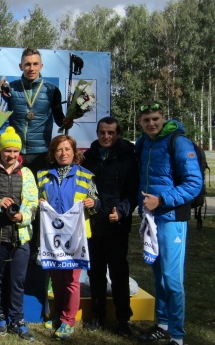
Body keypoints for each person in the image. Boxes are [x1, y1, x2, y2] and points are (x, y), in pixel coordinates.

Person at [136, 101, 202, 345]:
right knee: (158, 276)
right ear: (140, 123)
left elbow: (193, 184)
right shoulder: (144, 143)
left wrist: (161, 200)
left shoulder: (179, 142)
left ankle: (177, 335)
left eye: (155, 118)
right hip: (150, 219)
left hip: (172, 218)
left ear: (163, 118)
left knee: (172, 278)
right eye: (146, 120)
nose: (151, 123)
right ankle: (163, 325)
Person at [37, 135, 100, 340]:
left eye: (67, 149)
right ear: (53, 154)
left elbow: (96, 202)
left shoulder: (86, 176)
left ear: (74, 152)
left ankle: (68, 320)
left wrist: (93, 204)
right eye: (59, 150)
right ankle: (58, 313)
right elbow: (35, 201)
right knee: (56, 278)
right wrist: (37, 202)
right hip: (52, 237)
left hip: (76, 238)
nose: (63, 153)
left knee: (72, 279)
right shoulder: (43, 176)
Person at [81, 117, 139, 337]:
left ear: (118, 134)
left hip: (117, 223)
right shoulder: (88, 157)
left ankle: (123, 319)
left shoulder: (127, 158)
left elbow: (132, 192)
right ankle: (98, 315)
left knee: (118, 273)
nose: (106, 137)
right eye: (103, 132)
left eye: (111, 133)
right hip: (94, 223)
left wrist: (122, 211)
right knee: (95, 272)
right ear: (97, 133)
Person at [0, 127, 38, 341]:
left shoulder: (26, 172)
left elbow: (33, 202)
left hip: (20, 236)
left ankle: (17, 319)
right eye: (8, 151)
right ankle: (0, 317)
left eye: (16, 151)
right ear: (1, 150)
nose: (12, 155)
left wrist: (22, 216)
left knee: (17, 281)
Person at [9, 48, 73, 175]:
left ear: (41, 66)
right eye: (27, 64)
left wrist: (68, 121)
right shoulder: (10, 88)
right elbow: (3, 117)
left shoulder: (52, 90)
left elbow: (60, 120)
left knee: (40, 191)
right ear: (21, 66)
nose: (31, 68)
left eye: (35, 64)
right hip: (15, 150)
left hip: (41, 152)